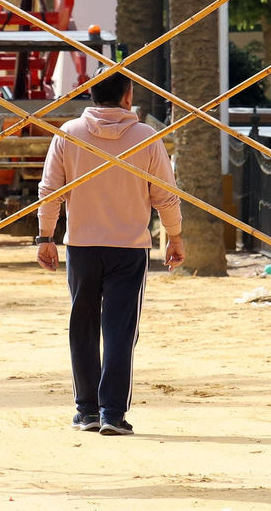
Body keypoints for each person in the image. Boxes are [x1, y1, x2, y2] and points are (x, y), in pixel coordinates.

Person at [36, 71, 184, 437]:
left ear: (90, 94)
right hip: (129, 246)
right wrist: (175, 236)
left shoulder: (68, 135)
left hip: (82, 246)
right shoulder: (147, 138)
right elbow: (165, 194)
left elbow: (50, 190)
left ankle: (86, 410)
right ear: (128, 95)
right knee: (120, 330)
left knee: (82, 326)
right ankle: (112, 413)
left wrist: (45, 236)